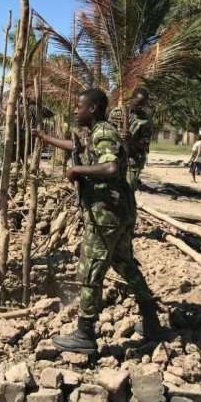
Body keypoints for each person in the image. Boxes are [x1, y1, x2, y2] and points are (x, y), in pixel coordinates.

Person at [33, 88, 161, 355]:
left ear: (92, 108)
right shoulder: (97, 132)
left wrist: (76, 169)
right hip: (119, 212)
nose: (75, 110)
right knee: (125, 264)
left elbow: (111, 167)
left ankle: (85, 334)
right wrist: (45, 138)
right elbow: (78, 147)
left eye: (79, 106)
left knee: (91, 270)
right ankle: (151, 321)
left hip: (106, 214)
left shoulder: (103, 132)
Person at [108, 87, 152, 191]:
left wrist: (132, 140)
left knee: (127, 191)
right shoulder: (116, 112)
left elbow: (145, 144)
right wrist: (113, 124)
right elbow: (107, 131)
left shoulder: (145, 119)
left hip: (132, 161)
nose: (139, 106)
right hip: (115, 157)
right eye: (138, 103)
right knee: (112, 189)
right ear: (131, 99)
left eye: (143, 104)